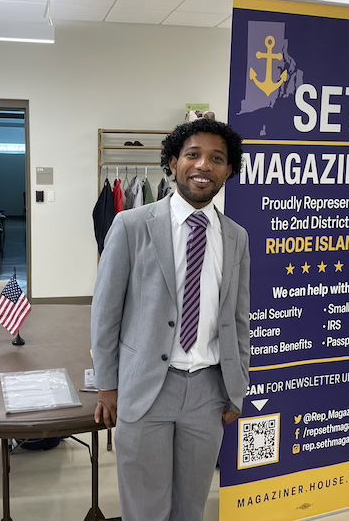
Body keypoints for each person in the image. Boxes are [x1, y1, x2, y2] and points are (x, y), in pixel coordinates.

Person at [91, 118, 250, 521]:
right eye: (193, 155)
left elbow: (239, 318)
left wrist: (237, 386)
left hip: (208, 391)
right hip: (146, 389)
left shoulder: (236, 237)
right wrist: (107, 386)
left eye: (217, 158)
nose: (203, 166)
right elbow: (106, 312)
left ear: (229, 170)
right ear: (173, 161)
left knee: (190, 508)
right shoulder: (131, 225)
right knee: (145, 508)